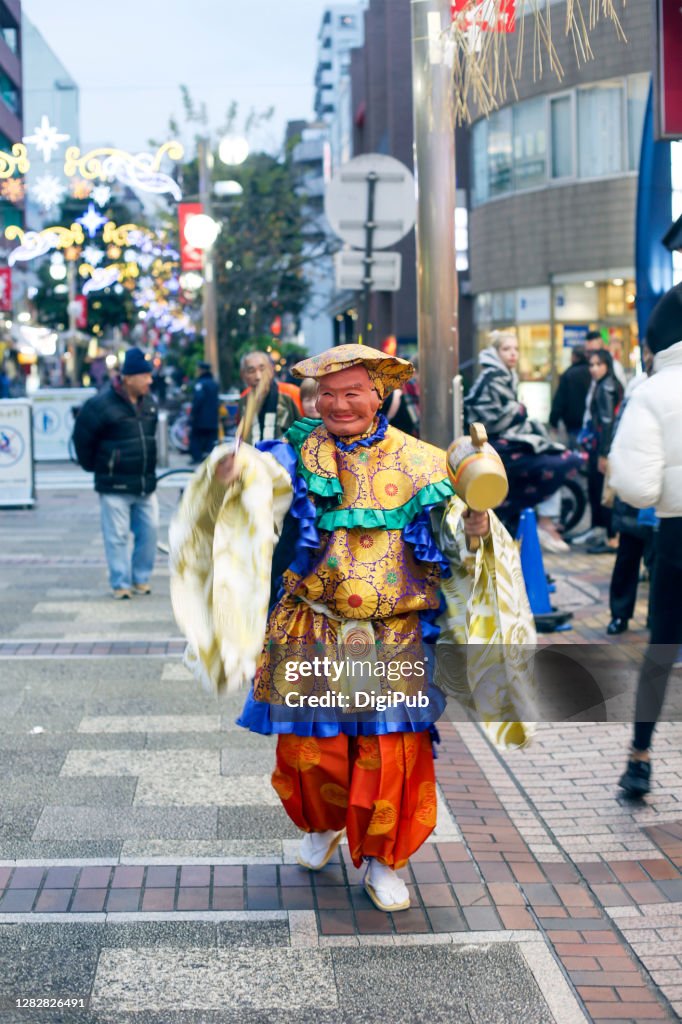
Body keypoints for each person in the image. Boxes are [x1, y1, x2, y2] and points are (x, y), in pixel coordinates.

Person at [170, 344, 536, 913]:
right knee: (310, 751)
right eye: (328, 395)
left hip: (392, 633)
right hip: (312, 625)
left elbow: (457, 547)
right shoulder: (295, 451)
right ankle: (324, 824)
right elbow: (253, 488)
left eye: (352, 393)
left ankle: (386, 858)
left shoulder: (424, 461)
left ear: (378, 395)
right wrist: (230, 475)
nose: (339, 405)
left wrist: (476, 524)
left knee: (391, 751)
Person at [609, 284, 682, 797]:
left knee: (662, 648)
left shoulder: (653, 391)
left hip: (678, 533)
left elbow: (636, 486)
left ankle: (640, 757)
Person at [465, 331, 583, 552]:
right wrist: (517, 412)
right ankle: (543, 522)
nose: (513, 354)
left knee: (561, 460)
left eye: (516, 349)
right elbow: (483, 413)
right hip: (498, 447)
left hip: (509, 444)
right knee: (560, 461)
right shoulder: (493, 377)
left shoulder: (505, 376)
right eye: (506, 349)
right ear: (496, 352)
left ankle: (540, 522)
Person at [72, 347, 158, 600]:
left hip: (144, 483)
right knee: (117, 537)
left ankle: (141, 578)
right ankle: (121, 582)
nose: (149, 380)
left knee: (150, 533)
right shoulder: (100, 405)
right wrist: (97, 467)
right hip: (114, 485)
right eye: (144, 375)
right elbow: (82, 439)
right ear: (128, 377)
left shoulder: (149, 403)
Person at [605, 345, 656, 635]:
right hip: (636, 483)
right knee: (629, 554)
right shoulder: (637, 390)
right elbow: (618, 437)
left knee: (658, 558)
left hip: (661, 488)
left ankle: (656, 619)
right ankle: (620, 614)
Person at [581, 350, 623, 555]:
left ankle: (612, 538)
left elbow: (607, 422)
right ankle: (611, 536)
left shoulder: (606, 386)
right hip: (604, 446)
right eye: (591, 364)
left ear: (607, 365)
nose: (594, 368)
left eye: (598, 364)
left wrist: (603, 454)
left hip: (604, 447)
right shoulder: (605, 384)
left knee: (604, 492)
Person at [238, 351, 300, 443]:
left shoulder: (290, 392)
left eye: (262, 369)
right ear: (243, 375)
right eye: (251, 371)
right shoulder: (244, 400)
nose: (258, 376)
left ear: (271, 370)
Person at [549, 346, 591, 447]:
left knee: (576, 451)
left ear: (574, 357)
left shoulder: (568, 374)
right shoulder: (592, 372)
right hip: (590, 422)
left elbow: (560, 400)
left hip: (573, 422)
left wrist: (553, 421)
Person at [189, 361, 220, 464]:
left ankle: (197, 457)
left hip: (200, 418)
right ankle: (209, 458)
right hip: (213, 417)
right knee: (210, 440)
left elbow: (198, 399)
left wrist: (193, 414)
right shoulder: (214, 383)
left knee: (196, 438)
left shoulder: (200, 384)